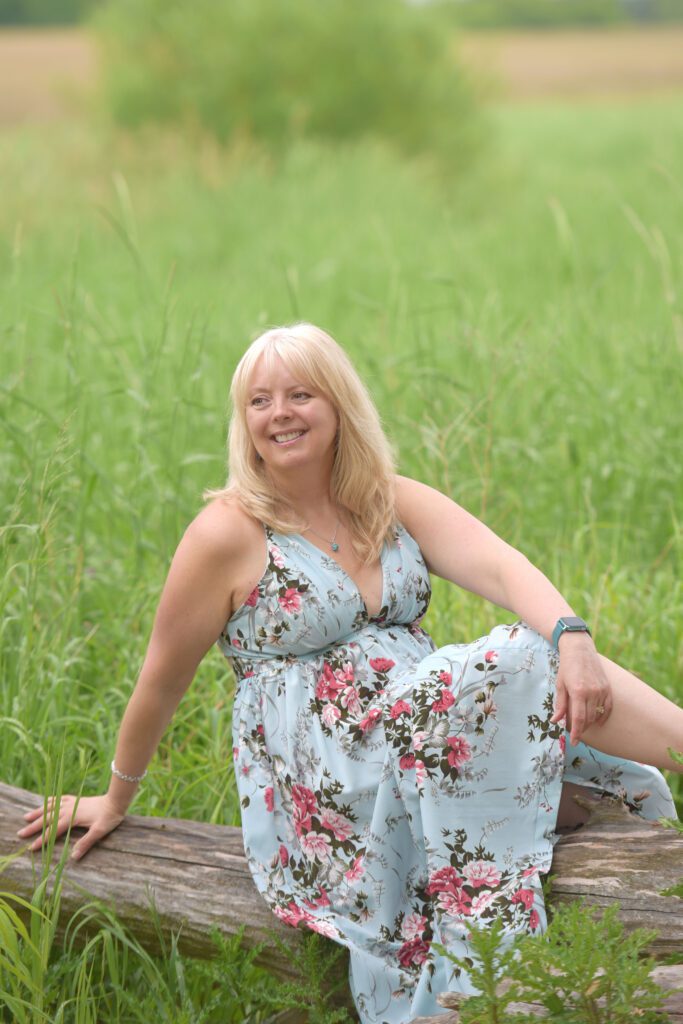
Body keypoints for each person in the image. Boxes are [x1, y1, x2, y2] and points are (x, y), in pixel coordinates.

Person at [19, 322, 682, 1023]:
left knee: (537, 655)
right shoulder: (227, 532)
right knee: (514, 658)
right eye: (259, 400)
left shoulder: (385, 499)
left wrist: (572, 636)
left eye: (299, 394)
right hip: (334, 778)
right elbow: (161, 678)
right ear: (243, 421)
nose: (279, 414)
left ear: (338, 406)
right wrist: (114, 799)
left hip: (420, 728)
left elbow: (498, 565)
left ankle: (563, 800)